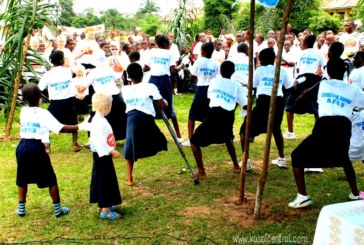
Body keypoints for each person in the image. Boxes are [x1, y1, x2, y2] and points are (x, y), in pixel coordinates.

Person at [288, 58, 364, 209]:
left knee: (296, 156)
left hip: (325, 125)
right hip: (344, 126)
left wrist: (320, 83)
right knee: (344, 158)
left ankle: (302, 196)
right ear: (344, 71)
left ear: (327, 71)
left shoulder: (322, 84)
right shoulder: (353, 89)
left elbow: (299, 100)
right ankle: (355, 193)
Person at [15, 82, 80, 217]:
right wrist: (80, 126)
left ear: (24, 99)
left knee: (21, 178)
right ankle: (58, 210)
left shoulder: (23, 111)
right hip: (36, 147)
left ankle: (21, 208)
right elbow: (60, 128)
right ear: (40, 97)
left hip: (22, 146)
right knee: (50, 178)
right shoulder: (44, 113)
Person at [190, 61, 247, 179]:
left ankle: (201, 171)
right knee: (228, 138)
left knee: (194, 141)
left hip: (215, 113)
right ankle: (236, 166)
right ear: (233, 72)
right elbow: (245, 105)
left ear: (220, 71)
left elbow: (210, 97)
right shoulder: (236, 86)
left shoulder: (214, 81)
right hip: (228, 115)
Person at [240, 48, 293, 169]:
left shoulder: (260, 70)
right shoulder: (282, 70)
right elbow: (289, 87)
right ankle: (282, 158)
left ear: (262, 59)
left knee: (245, 130)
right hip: (278, 102)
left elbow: (252, 87)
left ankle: (246, 161)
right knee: (276, 129)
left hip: (263, 101)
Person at [122, 63, 168, 186]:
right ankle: (129, 178)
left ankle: (129, 178)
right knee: (158, 140)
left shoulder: (124, 89)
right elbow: (162, 105)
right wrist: (165, 102)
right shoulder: (150, 86)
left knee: (130, 147)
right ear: (142, 74)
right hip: (146, 119)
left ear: (128, 77)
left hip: (132, 118)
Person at [283, 35, 326, 140]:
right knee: (317, 106)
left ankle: (290, 132)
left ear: (305, 43)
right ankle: (319, 133)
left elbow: (297, 69)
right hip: (315, 80)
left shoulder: (301, 53)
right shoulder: (319, 54)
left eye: (302, 42)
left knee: (289, 105)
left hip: (302, 79)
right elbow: (323, 67)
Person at [38, 50, 82, 152]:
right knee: (74, 121)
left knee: (46, 123)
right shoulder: (68, 71)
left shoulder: (47, 74)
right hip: (69, 101)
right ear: (62, 60)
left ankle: (47, 147)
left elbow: (39, 88)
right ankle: (75, 144)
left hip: (56, 102)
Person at [143, 34, 185, 142]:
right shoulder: (169, 53)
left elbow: (146, 68)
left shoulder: (151, 52)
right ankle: (178, 136)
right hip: (164, 80)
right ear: (166, 44)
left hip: (152, 80)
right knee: (169, 106)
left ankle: (148, 135)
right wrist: (182, 65)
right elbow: (173, 70)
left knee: (151, 105)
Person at [88, 92, 122, 220]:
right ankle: (105, 210)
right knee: (106, 181)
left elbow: (94, 137)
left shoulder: (95, 120)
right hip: (103, 157)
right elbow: (100, 142)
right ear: (107, 106)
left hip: (98, 155)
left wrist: (90, 144)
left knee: (99, 179)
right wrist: (111, 152)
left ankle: (101, 204)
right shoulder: (101, 122)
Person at [182, 42, 220, 147]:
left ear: (203, 51)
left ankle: (191, 139)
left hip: (201, 89)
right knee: (210, 114)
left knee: (192, 115)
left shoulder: (199, 62)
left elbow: (192, 77)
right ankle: (213, 137)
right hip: (212, 90)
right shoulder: (216, 64)